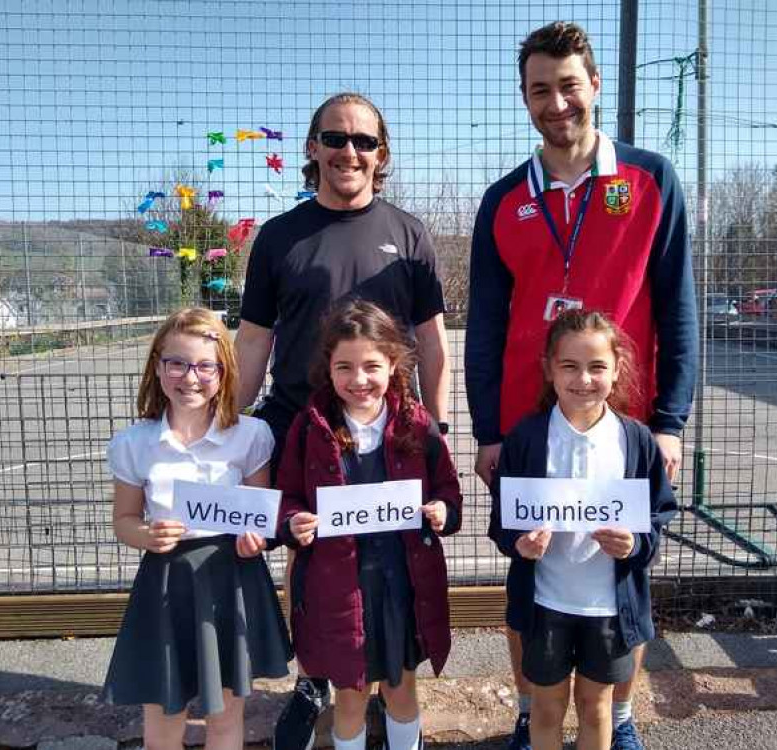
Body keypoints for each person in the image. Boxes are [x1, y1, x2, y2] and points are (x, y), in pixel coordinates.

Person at [465, 21, 698, 750]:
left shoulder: (650, 179)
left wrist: (669, 421)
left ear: (593, 85)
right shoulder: (504, 200)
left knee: (617, 572)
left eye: (568, 85)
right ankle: (530, 713)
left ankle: (617, 714)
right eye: (540, 89)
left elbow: (678, 307)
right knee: (527, 570)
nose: (556, 102)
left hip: (622, 416)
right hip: (526, 424)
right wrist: (487, 430)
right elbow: (485, 325)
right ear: (524, 99)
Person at [234, 92, 451, 749]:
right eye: (335, 138)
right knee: (308, 551)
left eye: (363, 141)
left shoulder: (408, 233)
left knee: (389, 559)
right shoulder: (278, 237)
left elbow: (433, 341)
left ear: (380, 154)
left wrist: (434, 426)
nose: (348, 152)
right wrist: (225, 425)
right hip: (301, 423)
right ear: (311, 148)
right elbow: (251, 341)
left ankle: (389, 675)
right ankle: (315, 678)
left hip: (389, 436)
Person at [276, 299, 462, 750]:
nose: (359, 380)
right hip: (338, 589)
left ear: (393, 363)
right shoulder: (309, 429)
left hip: (402, 587)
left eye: (371, 366)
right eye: (345, 367)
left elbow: (448, 492)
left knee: (401, 692)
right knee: (350, 697)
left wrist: (441, 511)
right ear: (329, 367)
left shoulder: (418, 426)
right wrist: (292, 523)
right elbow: (287, 499)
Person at [102, 308, 291, 750]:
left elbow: (258, 519)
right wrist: (146, 535)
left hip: (233, 582)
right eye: (177, 363)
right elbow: (124, 521)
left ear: (224, 371)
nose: (191, 377)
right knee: (165, 717)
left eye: (206, 365)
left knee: (225, 717)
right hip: (167, 584)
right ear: (158, 366)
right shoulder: (134, 444)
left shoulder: (251, 435)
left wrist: (254, 541)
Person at [488, 309, 677, 750]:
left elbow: (658, 515)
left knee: (597, 708)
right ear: (549, 369)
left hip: (608, 609)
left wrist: (635, 543)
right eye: (569, 366)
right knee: (547, 709)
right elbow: (502, 522)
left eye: (597, 367)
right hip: (545, 604)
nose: (583, 379)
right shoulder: (527, 439)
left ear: (616, 370)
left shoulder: (635, 440)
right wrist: (519, 544)